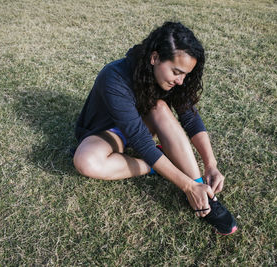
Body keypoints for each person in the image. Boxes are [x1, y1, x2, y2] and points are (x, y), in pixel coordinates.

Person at [73, 21, 237, 235]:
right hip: (106, 132)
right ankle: (162, 169)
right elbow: (140, 140)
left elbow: (190, 118)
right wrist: (185, 186)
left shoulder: (174, 81)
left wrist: (211, 164)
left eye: (186, 74)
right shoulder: (114, 77)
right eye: (177, 72)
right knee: (85, 161)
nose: (181, 81)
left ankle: (203, 193)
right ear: (155, 58)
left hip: (143, 125)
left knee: (159, 106)